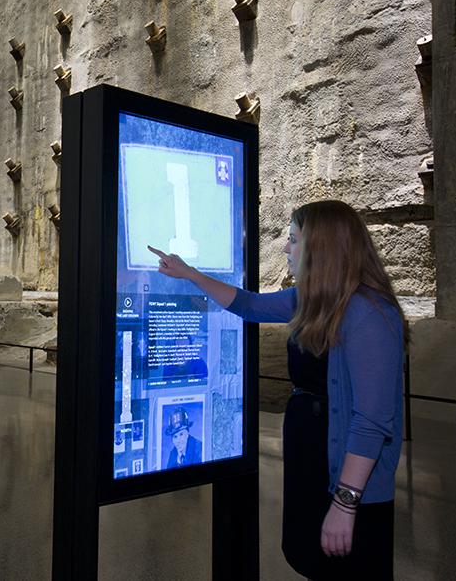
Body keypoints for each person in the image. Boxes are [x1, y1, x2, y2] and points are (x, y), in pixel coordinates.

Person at [149, 200, 404, 580]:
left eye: (293, 239)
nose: (286, 248)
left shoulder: (369, 313)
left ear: (323, 247)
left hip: (347, 478)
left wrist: (346, 504)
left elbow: (371, 421)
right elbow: (249, 305)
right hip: (313, 464)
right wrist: (190, 274)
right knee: (315, 561)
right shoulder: (314, 300)